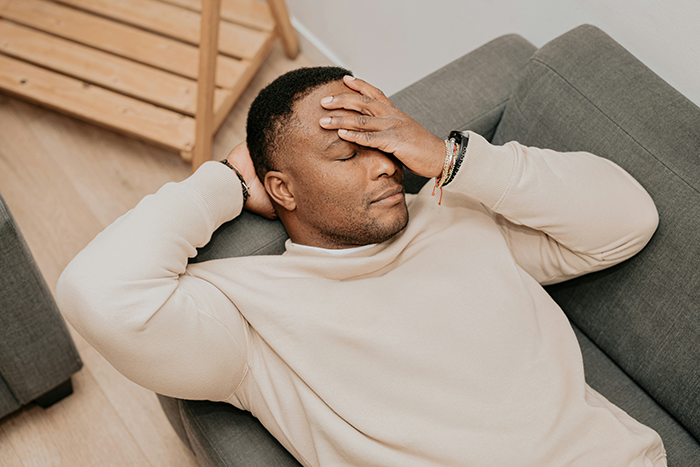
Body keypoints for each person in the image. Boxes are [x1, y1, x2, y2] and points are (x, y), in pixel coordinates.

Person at [57, 66, 666, 466]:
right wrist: (226, 182)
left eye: (383, 140)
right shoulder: (248, 319)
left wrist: (449, 158)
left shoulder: (459, 215)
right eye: (348, 154)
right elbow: (97, 294)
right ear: (282, 188)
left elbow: (628, 220)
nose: (385, 164)